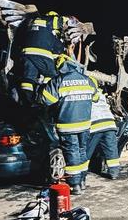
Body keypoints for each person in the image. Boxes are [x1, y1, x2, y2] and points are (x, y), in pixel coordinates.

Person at [40, 51, 99, 194]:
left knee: (72, 152)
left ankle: (75, 184)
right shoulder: (87, 79)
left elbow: (45, 100)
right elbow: (96, 97)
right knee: (82, 151)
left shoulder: (58, 80)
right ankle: (83, 180)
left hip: (67, 126)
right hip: (85, 125)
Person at [15, 11, 66, 105]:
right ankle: (43, 100)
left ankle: (26, 102)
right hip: (41, 54)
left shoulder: (32, 22)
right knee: (51, 75)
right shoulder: (50, 21)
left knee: (28, 78)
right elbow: (57, 49)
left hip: (26, 53)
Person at [87, 89, 121, 179]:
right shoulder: (99, 92)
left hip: (95, 124)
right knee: (111, 150)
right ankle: (114, 173)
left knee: (87, 150)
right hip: (109, 123)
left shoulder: (83, 93)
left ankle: (81, 174)